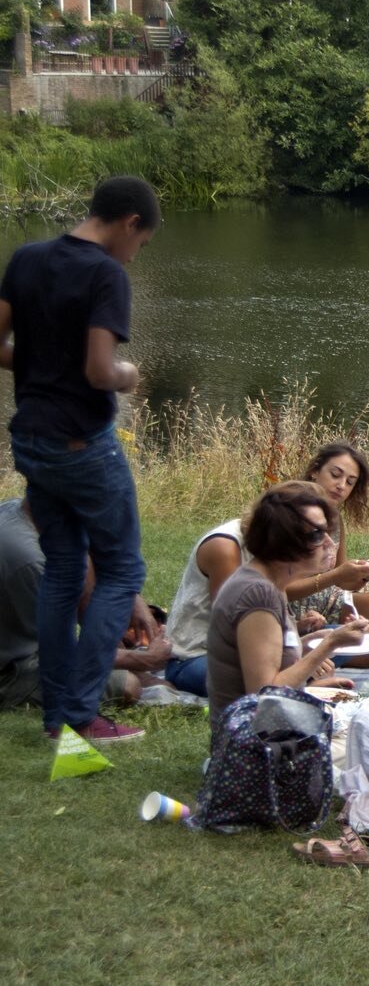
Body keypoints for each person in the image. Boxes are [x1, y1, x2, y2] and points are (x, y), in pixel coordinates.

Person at [0, 175, 162, 743]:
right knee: (122, 571)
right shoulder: (105, 274)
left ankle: (55, 718)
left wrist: (42, 363)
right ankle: (79, 713)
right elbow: (99, 371)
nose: (134, 255)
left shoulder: (26, 258)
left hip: (33, 443)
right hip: (82, 447)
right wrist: (130, 373)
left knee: (65, 570)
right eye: (139, 244)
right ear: (130, 224)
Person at [206, 481, 367, 728]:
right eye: (316, 535)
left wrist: (315, 644)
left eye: (327, 531)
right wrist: (329, 644)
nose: (328, 542)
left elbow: (271, 656)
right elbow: (264, 693)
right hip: (255, 751)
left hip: (267, 736)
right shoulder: (258, 594)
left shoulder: (270, 582)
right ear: (284, 541)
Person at [0, 496, 172, 711]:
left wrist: (131, 595)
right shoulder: (33, 564)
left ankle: (127, 662)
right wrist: (142, 660)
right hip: (12, 671)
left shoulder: (25, 512)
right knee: (127, 686)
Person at [286, 441, 369, 655]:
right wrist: (335, 576)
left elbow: (343, 582)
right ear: (316, 470)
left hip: (331, 602)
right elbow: (278, 589)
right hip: (290, 611)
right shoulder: (287, 515)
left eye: (350, 482)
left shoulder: (335, 519)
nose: (341, 485)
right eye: (335, 474)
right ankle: (306, 644)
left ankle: (326, 639)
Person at [163, 513, 249, 696]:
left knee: (324, 639)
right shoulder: (224, 546)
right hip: (196, 656)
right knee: (259, 683)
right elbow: (231, 619)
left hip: (249, 649)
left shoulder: (274, 549)